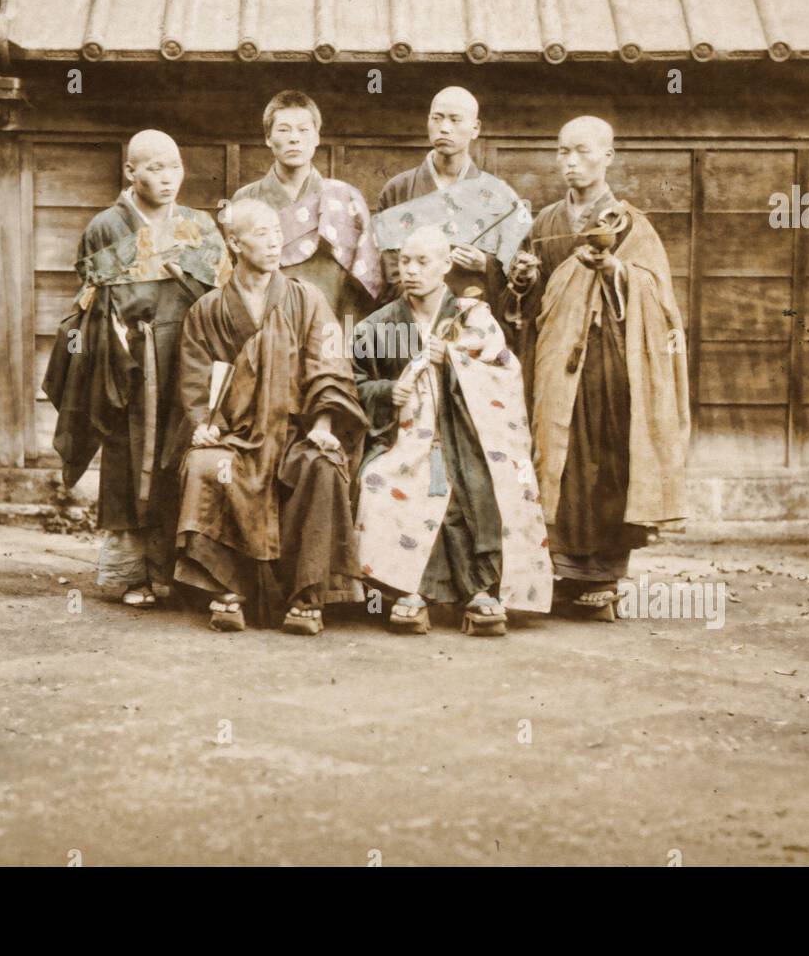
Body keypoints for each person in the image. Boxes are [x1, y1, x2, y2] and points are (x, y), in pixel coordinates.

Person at [506, 116, 689, 620]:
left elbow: (657, 295)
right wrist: (521, 281)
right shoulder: (543, 222)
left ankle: (604, 576)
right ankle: (562, 571)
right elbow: (527, 301)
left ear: (608, 155)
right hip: (553, 360)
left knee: (603, 459)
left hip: (607, 359)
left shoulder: (630, 223)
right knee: (555, 458)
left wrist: (617, 271)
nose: (570, 163)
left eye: (582, 152)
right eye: (562, 152)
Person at [42, 129, 229, 606]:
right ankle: (133, 575)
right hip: (129, 353)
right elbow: (94, 299)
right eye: (155, 168)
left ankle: (179, 571)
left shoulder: (199, 224)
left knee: (179, 451)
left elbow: (215, 296)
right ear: (130, 171)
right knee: (130, 457)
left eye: (175, 166)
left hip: (187, 351)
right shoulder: (106, 225)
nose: (169, 178)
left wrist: (177, 277)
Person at [173, 198, 368, 635]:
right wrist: (205, 425)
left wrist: (322, 426)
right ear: (234, 242)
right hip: (237, 437)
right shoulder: (209, 310)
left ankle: (307, 596)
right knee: (207, 466)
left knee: (322, 467)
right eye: (261, 233)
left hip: (297, 435)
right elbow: (195, 379)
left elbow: (330, 364)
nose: (274, 240)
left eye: (277, 231)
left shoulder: (307, 299)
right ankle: (226, 589)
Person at [351, 226, 553, 636]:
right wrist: (389, 390)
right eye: (405, 261)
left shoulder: (471, 316)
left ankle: (481, 590)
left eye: (423, 261)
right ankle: (406, 592)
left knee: (483, 484)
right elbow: (350, 383)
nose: (411, 270)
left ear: (446, 266)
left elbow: (504, 369)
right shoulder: (378, 325)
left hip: (468, 435)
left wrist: (457, 359)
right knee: (380, 482)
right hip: (401, 437)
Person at [230, 90, 382, 328]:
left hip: (332, 326)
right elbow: (235, 275)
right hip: (266, 327)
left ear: (317, 137)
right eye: (283, 130)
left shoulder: (345, 197)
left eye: (303, 130)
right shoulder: (246, 199)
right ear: (268, 138)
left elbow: (363, 280)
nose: (294, 138)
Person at [373, 86, 530, 310]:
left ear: (475, 128)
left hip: (476, 318)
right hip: (414, 318)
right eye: (437, 118)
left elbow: (517, 271)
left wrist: (485, 264)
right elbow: (389, 270)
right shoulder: (397, 189)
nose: (444, 128)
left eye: (455, 120)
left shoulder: (500, 196)